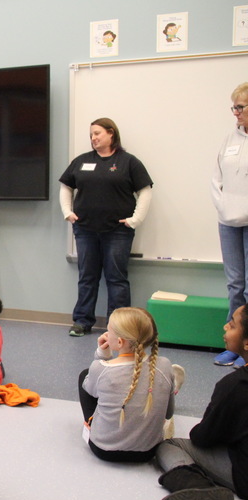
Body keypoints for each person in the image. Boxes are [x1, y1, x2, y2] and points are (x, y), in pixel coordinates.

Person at [59, 117, 153, 337]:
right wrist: (67, 212)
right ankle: (82, 321)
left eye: (97, 133)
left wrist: (135, 219)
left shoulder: (128, 162)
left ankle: (119, 328)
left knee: (116, 278)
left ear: (111, 134)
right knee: (87, 276)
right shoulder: (81, 161)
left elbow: (146, 191)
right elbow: (65, 186)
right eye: (91, 134)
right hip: (85, 230)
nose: (93, 138)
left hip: (118, 231)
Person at [154, 304, 248, 500]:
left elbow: (203, 438)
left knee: (170, 445)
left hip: (244, 476)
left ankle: (198, 487)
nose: (225, 327)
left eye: (232, 325)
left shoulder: (234, 386)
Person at [78, 307, 179, 462]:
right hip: (149, 451)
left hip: (103, 449)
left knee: (85, 376)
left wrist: (101, 355)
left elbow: (90, 386)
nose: (106, 333)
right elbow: (168, 413)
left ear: (119, 341)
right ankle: (173, 385)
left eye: (108, 330)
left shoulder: (101, 368)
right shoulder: (164, 365)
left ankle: (91, 423)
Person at [211, 82, 248, 368]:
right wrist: (225, 208)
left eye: (240, 107)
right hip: (229, 221)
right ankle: (234, 345)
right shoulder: (229, 139)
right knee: (235, 283)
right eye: (234, 107)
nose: (236, 113)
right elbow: (216, 179)